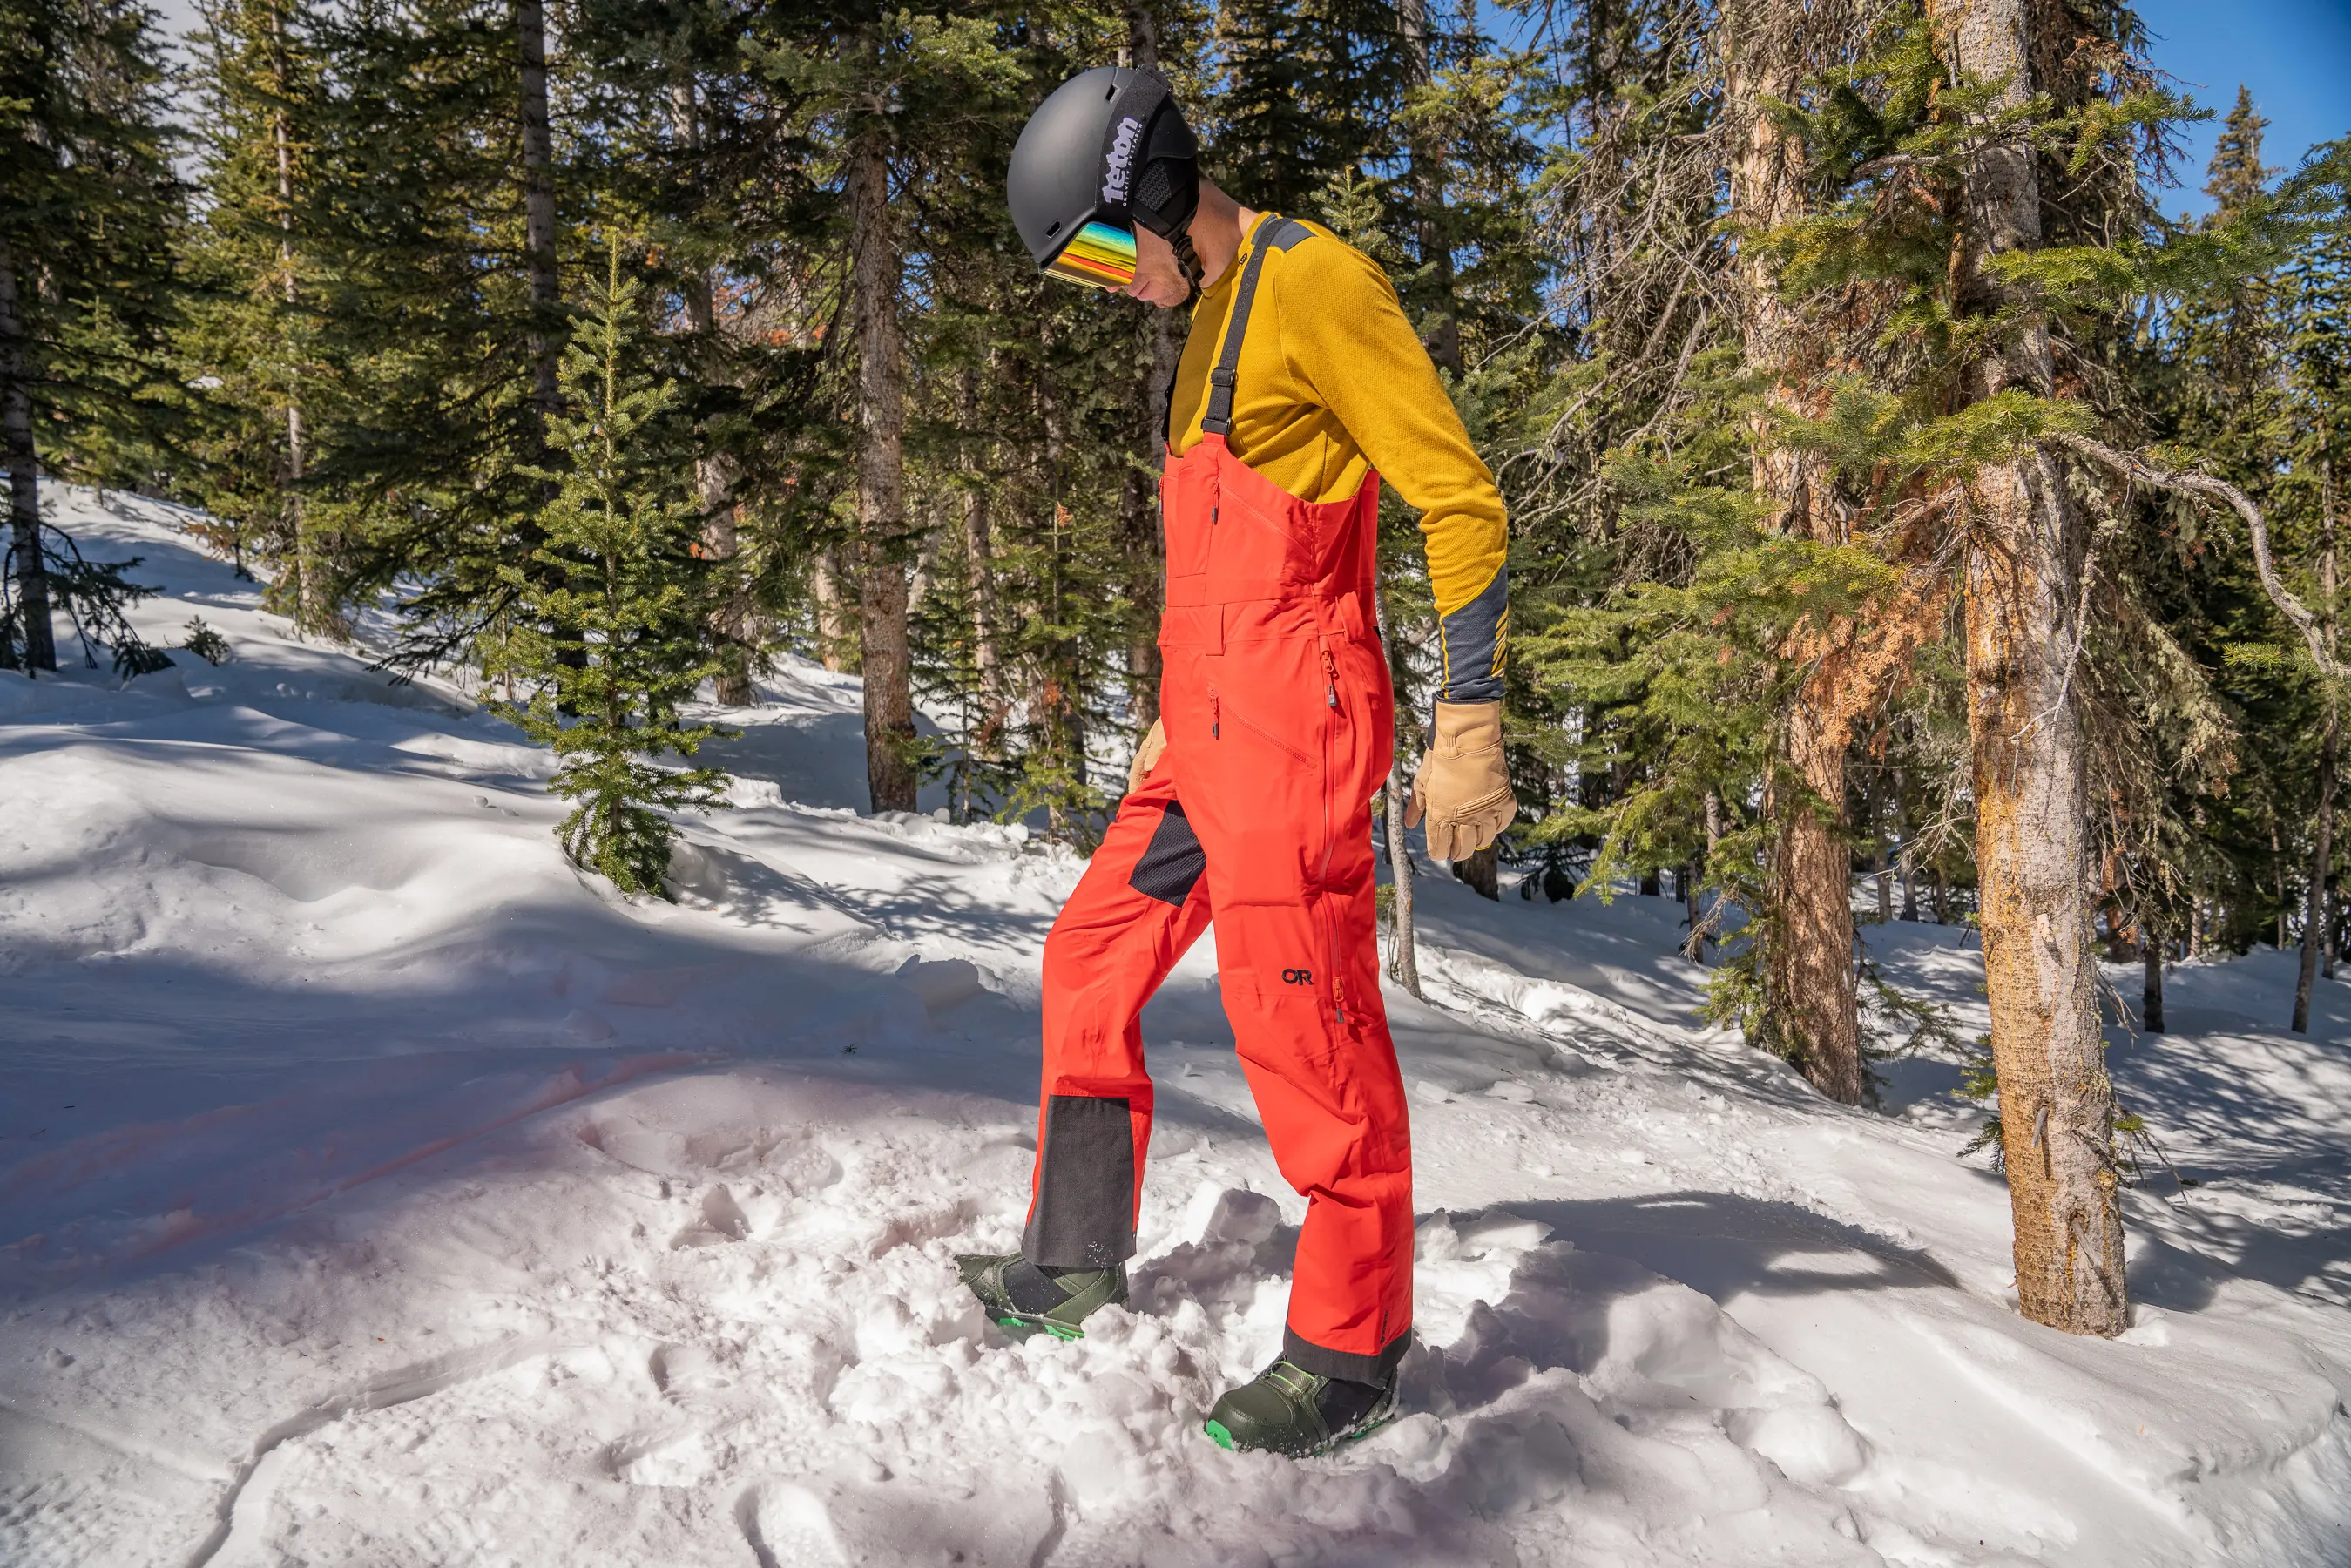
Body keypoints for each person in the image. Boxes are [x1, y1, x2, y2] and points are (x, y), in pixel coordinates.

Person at [956, 64, 1515, 1457]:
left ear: (1149, 188)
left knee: (1301, 1026)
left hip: (1290, 736)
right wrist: (1168, 698)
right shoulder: (1205, 323)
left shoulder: (1316, 282)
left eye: (1097, 248)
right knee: (1088, 959)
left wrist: (1470, 717)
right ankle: (1071, 1256)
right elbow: (1215, 563)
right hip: (1201, 731)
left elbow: (1456, 498)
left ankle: (1349, 1350)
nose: (1100, 282)